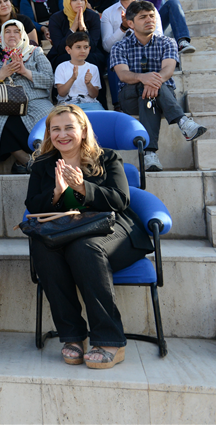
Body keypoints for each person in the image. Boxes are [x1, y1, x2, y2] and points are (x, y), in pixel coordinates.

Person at [26, 105, 155, 369]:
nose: (62, 134)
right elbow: (33, 204)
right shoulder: (42, 164)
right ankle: (73, 336)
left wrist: (83, 187)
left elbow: (120, 199)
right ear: (49, 134)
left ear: (83, 130)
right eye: (56, 129)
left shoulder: (107, 158)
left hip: (112, 230)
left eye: (69, 127)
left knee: (83, 248)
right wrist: (57, 193)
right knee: (43, 248)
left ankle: (111, 339)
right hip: (66, 230)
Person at [110, 0, 206, 172]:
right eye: (143, 17)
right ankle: (182, 121)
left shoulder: (167, 42)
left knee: (148, 95)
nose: (149, 20)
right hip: (129, 98)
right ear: (130, 23)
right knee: (146, 87)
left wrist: (150, 81)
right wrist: (143, 77)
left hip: (162, 94)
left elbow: (168, 70)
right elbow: (123, 75)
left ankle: (149, 154)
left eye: (152, 16)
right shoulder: (119, 46)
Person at [0, 20, 55, 172]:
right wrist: (0, 75)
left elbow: (49, 80)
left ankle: (28, 161)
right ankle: (26, 160)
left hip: (35, 99)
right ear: (1, 36)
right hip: (4, 101)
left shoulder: (35, 52)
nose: (12, 35)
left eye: (16, 31)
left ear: (23, 35)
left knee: (45, 114)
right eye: (7, 31)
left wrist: (25, 72)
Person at [55, 32, 102, 111]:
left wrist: (88, 83)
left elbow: (94, 95)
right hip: (67, 104)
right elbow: (61, 93)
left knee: (101, 116)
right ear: (68, 50)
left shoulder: (93, 68)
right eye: (78, 47)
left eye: (86, 47)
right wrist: (72, 78)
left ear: (89, 49)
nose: (83, 51)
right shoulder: (61, 67)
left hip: (90, 104)